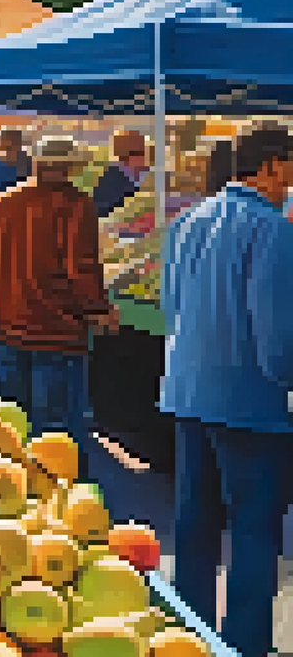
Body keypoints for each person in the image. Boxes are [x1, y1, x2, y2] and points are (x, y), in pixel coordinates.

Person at [159, 127, 293, 657]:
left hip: (188, 393)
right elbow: (276, 334)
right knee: (255, 528)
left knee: (194, 522)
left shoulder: (188, 220)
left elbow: (172, 310)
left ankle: (189, 637)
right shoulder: (272, 231)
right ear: (273, 167)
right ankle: (245, 644)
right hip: (249, 401)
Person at [0, 135, 116, 482]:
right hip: (58, 337)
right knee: (58, 445)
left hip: (6, 333)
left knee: (9, 440)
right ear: (70, 167)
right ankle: (66, 520)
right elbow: (80, 268)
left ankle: (14, 513)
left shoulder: (2, 203)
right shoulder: (75, 205)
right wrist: (100, 310)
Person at [91, 131, 149, 218]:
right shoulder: (109, 180)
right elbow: (102, 212)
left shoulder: (146, 175)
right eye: (141, 153)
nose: (145, 159)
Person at [0, 128, 30, 201]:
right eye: (1, 148)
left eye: (9, 148)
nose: (5, 152)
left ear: (19, 146)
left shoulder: (30, 165)